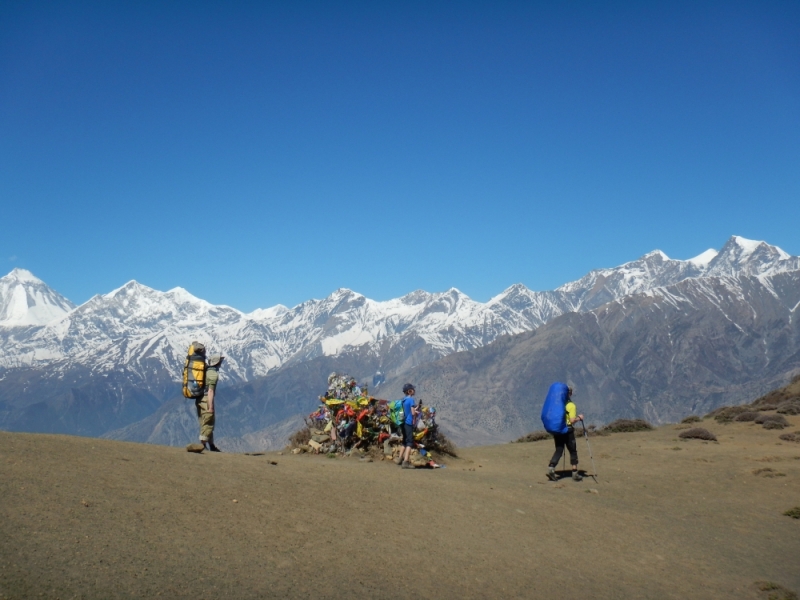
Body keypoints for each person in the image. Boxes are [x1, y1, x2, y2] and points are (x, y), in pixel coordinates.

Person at [547, 386, 584, 481]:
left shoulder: (558, 404)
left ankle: (551, 467)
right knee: (572, 450)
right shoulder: (571, 405)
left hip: (558, 430)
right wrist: (579, 418)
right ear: (570, 394)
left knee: (559, 450)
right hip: (568, 430)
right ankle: (575, 473)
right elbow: (572, 420)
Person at [196, 353, 224, 452]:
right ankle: (202, 445)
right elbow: (210, 391)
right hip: (206, 399)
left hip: (199, 399)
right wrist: (210, 406)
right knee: (208, 422)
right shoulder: (213, 374)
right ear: (217, 362)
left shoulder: (205, 371)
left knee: (205, 422)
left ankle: (211, 445)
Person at [394, 383, 418, 469]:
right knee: (409, 442)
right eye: (413, 389)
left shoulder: (403, 400)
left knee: (404, 441)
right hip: (408, 422)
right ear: (409, 391)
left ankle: (400, 459)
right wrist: (416, 412)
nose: (414, 390)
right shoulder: (411, 400)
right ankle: (406, 461)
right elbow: (412, 413)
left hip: (403, 423)